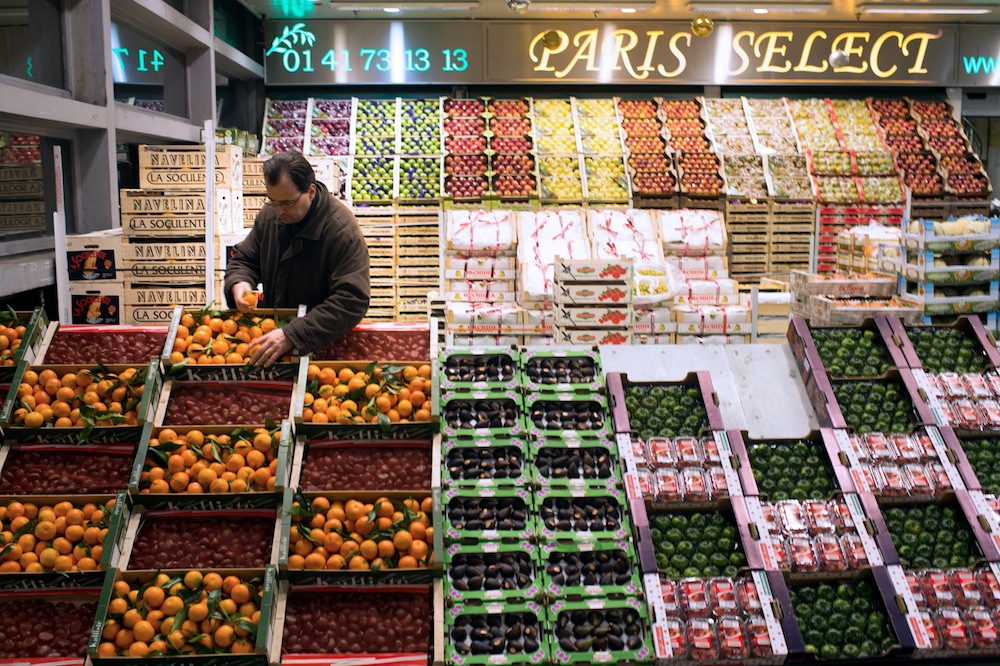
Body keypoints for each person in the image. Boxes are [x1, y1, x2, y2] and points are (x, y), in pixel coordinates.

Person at [225, 151, 370, 366]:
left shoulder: (342, 232)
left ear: (310, 191)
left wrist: (294, 334)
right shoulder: (270, 216)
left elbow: (351, 300)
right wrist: (239, 285)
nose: (279, 211)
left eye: (287, 203)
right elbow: (245, 259)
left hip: (321, 352)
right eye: (272, 201)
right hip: (274, 345)